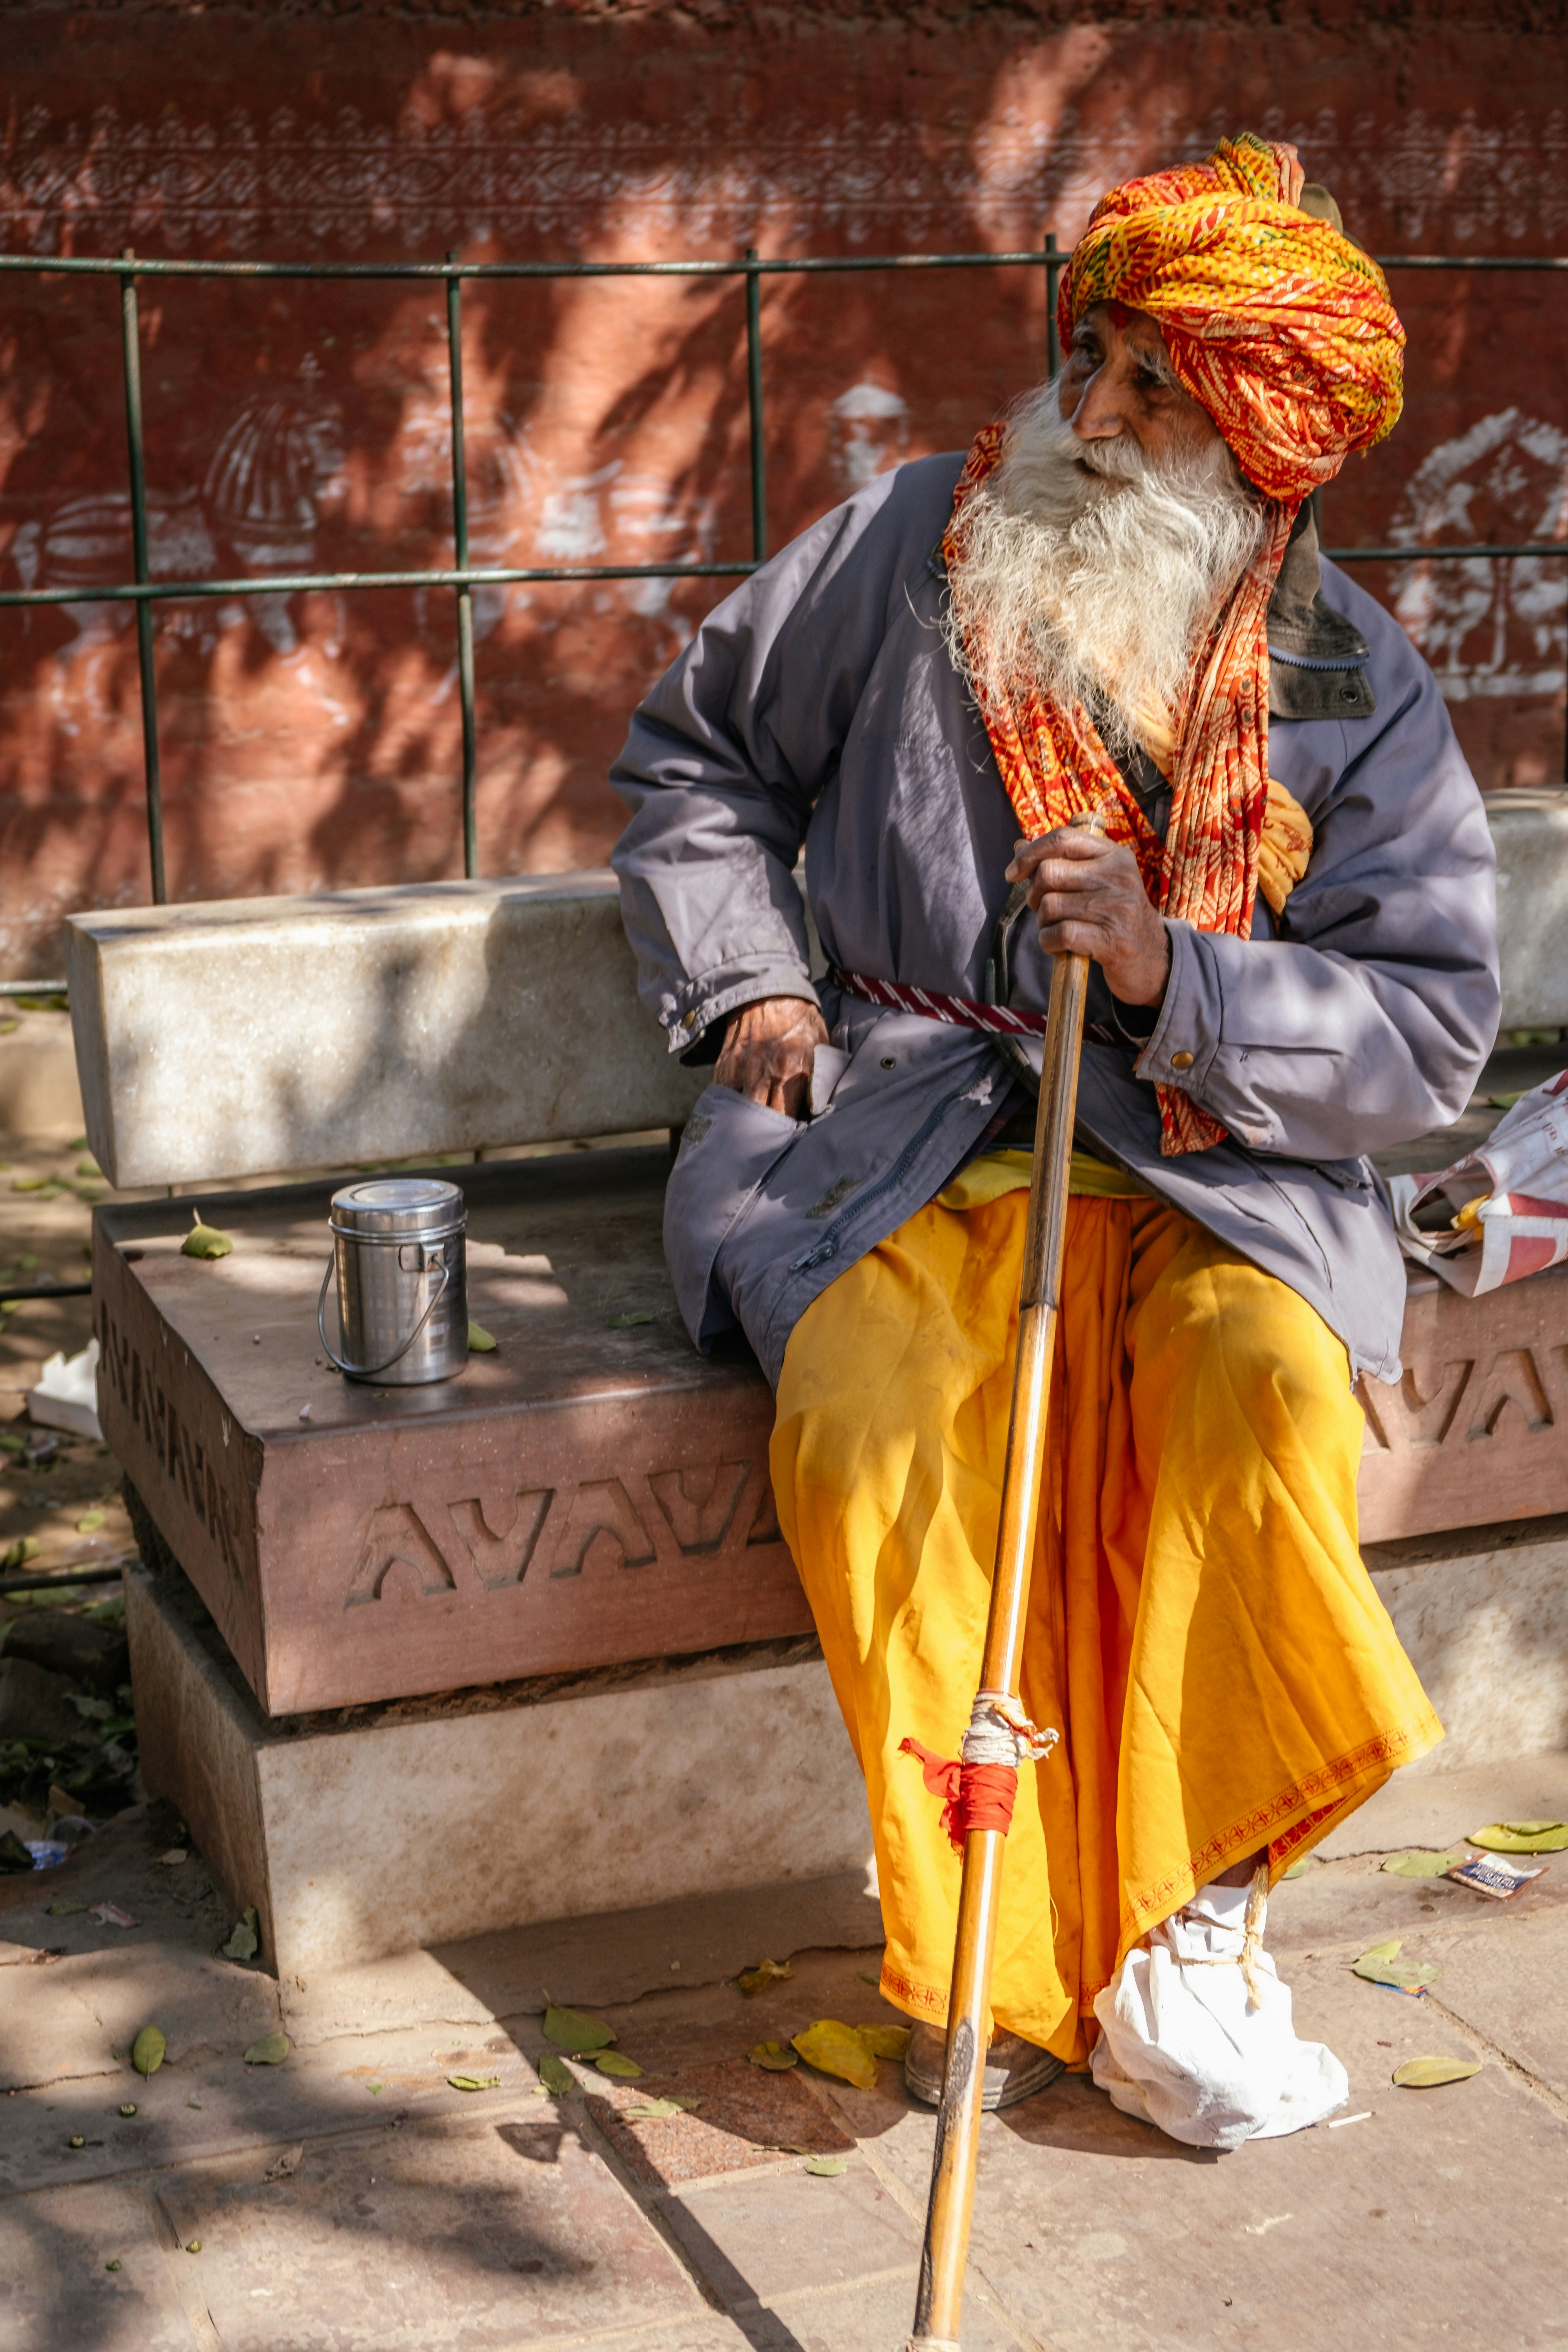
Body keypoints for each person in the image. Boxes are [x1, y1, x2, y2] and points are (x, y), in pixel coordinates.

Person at [610, 133, 1499, 2147]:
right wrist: (749, 984)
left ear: (1260, 439)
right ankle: (996, 1924)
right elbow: (696, 762)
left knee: (1261, 1399)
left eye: (1152, 391)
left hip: (1212, 1170)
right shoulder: (915, 539)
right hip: (894, 1139)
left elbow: (1424, 1033)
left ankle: (1202, 1910)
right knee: (861, 1431)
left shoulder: (1348, 672)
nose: (1086, 417)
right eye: (1090, 359)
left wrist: (1180, 973)